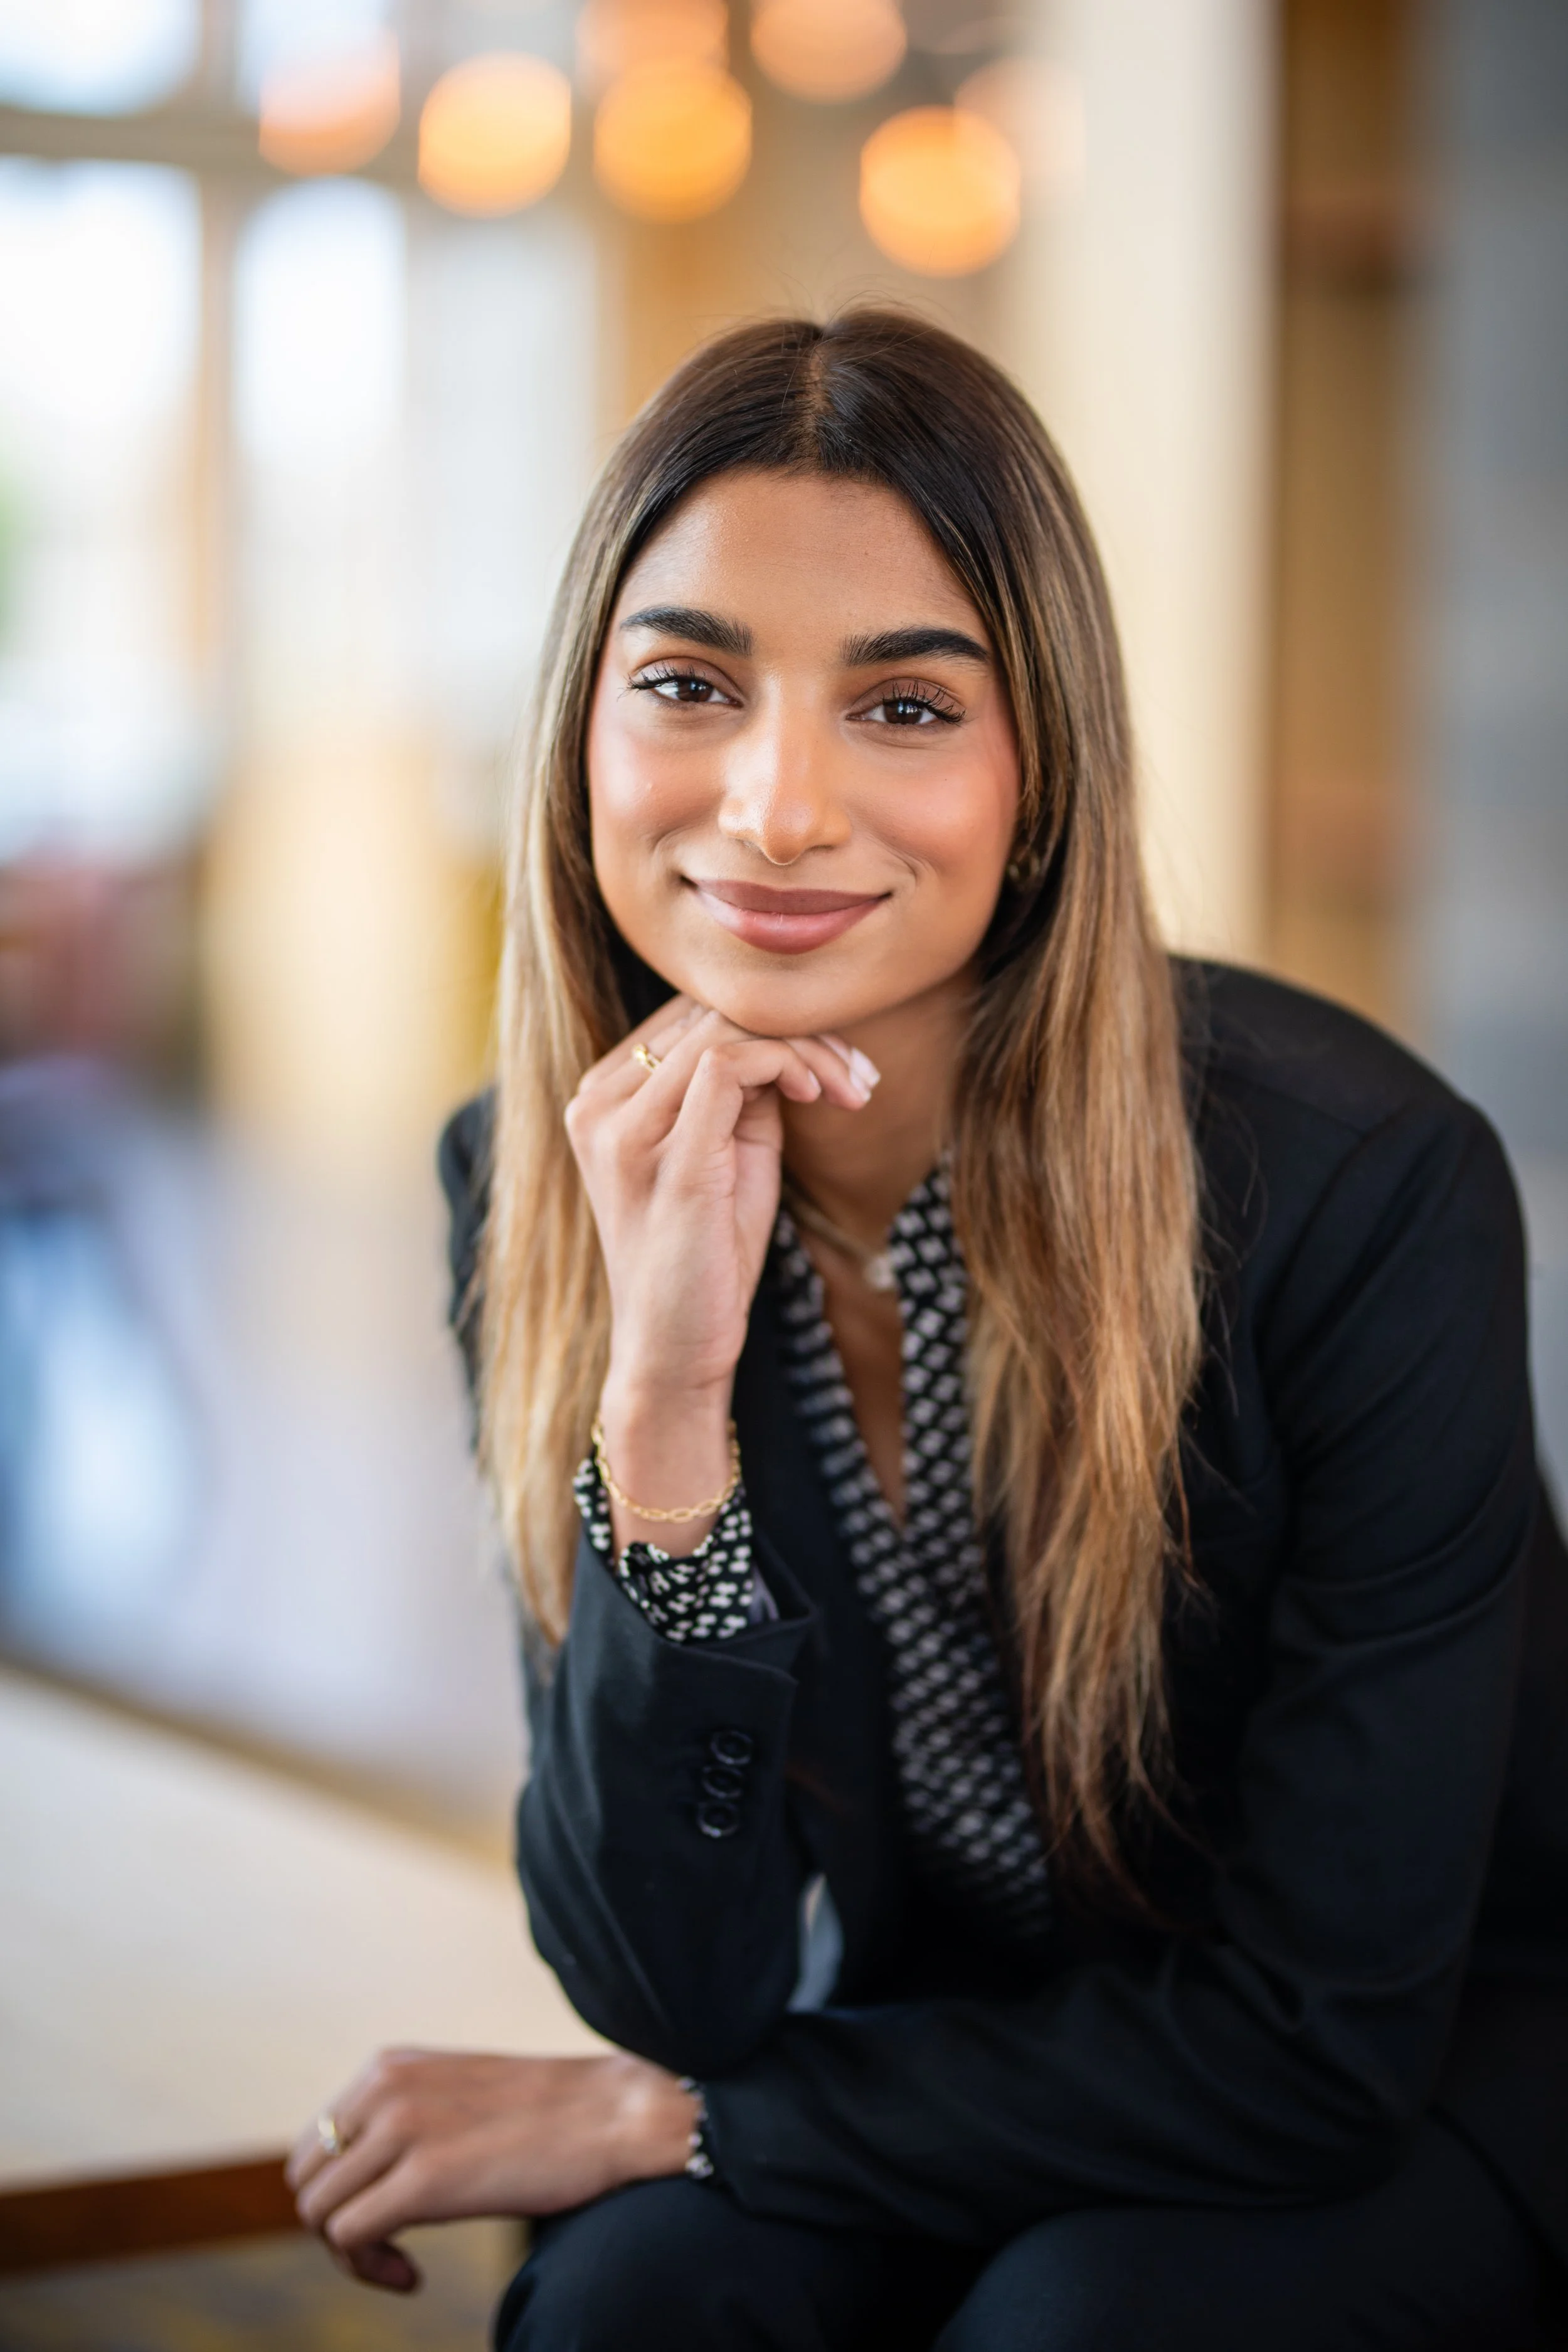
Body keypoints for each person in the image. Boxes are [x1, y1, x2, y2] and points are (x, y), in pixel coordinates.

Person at [286, 310, 1568, 2349]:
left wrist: (678, 2116)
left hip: (1413, 2077)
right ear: (581, 739)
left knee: (1084, 2323)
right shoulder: (531, 1175)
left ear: (1037, 764)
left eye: (902, 705)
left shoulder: (1355, 1181)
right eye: (690, 684)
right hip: (935, 2038)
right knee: (637, 2301)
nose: (780, 806)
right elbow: (667, 1974)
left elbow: (1317, 2038)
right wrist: (665, 1393)